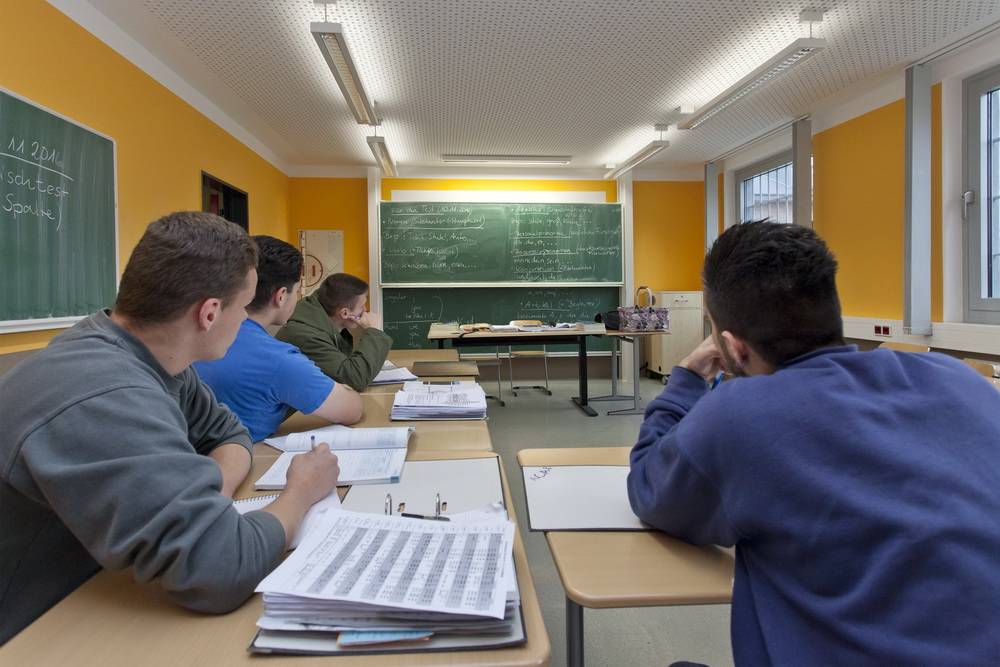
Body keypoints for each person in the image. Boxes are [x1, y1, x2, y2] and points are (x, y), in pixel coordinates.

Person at [627, 221, 1000, 665]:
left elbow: (650, 488)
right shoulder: (957, 380)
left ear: (732, 346)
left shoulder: (741, 414)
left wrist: (686, 378)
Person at [0, 212, 341, 645]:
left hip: (105, 592)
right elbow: (220, 569)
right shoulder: (107, 393)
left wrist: (209, 492)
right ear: (210, 313)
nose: (248, 322)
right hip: (36, 632)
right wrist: (301, 491)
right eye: (244, 307)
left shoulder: (152, 354)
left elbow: (228, 433)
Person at [194, 236, 363, 441]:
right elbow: (351, 410)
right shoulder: (278, 359)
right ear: (281, 295)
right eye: (297, 290)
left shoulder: (195, 335)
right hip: (251, 463)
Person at [276, 272, 391, 392]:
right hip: (292, 411)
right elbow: (355, 380)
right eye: (362, 306)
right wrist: (373, 331)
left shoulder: (319, 322)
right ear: (345, 313)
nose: (365, 311)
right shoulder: (307, 336)